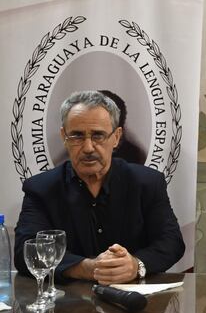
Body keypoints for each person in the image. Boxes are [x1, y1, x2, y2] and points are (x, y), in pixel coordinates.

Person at [14, 90, 185, 284]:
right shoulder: (41, 189)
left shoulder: (147, 183)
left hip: (135, 302)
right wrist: (85, 268)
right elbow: (24, 252)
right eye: (77, 136)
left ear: (116, 137)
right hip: (66, 307)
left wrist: (136, 265)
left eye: (98, 136)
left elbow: (171, 242)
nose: (88, 147)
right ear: (64, 136)